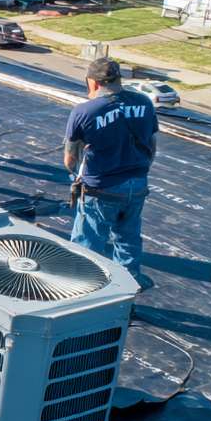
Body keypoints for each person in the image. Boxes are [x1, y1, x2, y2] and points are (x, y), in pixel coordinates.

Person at [64, 58, 158, 288]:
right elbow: (152, 146)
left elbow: (69, 160)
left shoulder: (84, 111)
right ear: (118, 80)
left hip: (101, 189)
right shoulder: (144, 102)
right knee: (128, 242)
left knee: (87, 245)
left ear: (93, 83)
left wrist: (77, 174)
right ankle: (126, 295)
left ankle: (83, 292)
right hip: (137, 185)